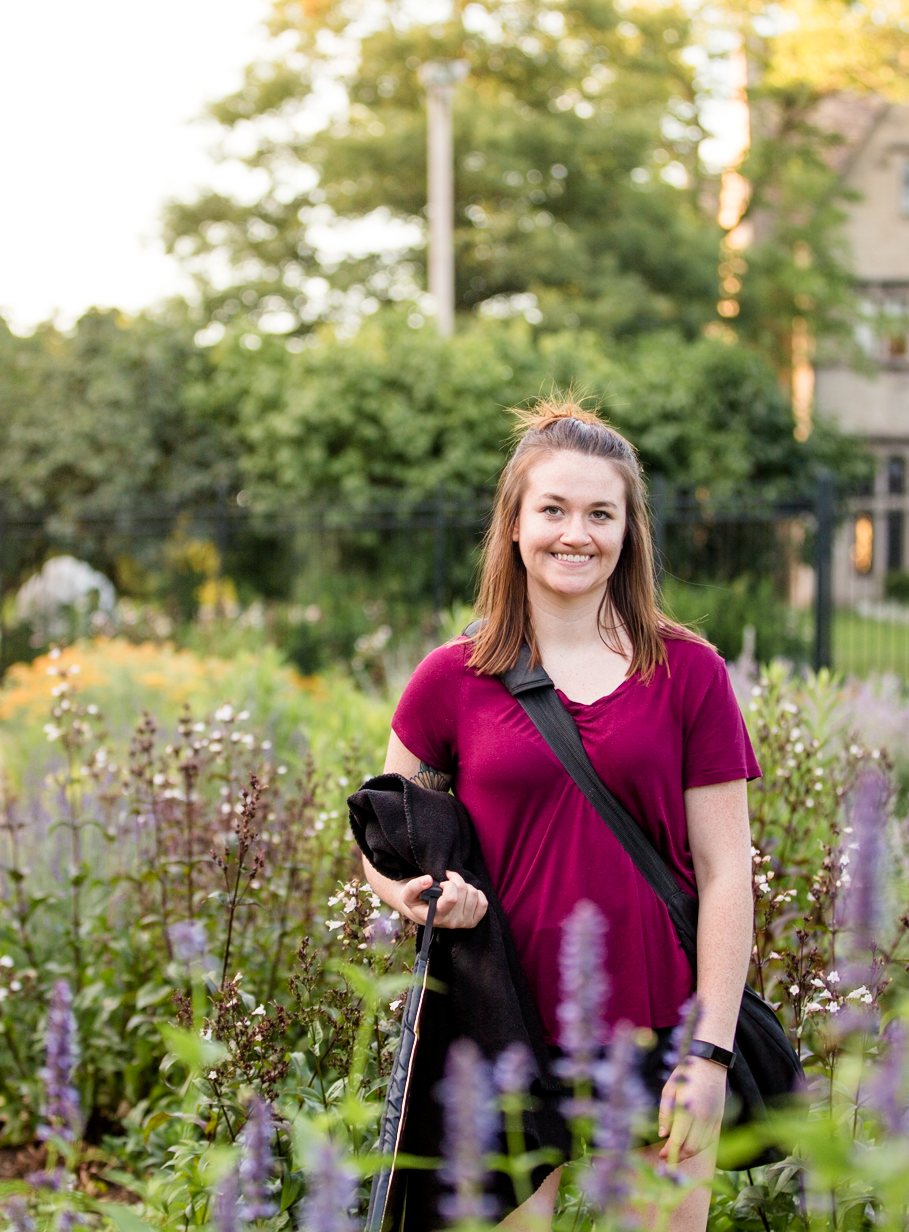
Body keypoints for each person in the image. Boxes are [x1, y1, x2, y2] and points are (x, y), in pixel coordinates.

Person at [362, 399, 760, 1230]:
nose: (575, 533)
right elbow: (382, 830)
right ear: (514, 524)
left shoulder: (689, 673)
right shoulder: (453, 676)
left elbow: (727, 875)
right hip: (499, 1027)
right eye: (552, 509)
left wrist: (710, 1052)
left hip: (660, 1032)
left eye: (599, 513)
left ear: (627, 531)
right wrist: (412, 893)